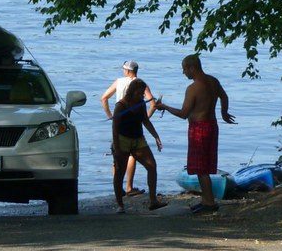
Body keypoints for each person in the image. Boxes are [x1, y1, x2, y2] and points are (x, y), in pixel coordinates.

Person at [154, 54, 235, 214]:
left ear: (192, 68)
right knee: (203, 166)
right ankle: (205, 200)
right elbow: (224, 96)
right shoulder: (213, 81)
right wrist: (224, 113)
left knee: (201, 168)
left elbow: (184, 113)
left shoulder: (193, 88)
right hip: (212, 126)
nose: (184, 72)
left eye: (184, 69)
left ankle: (210, 203)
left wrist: (165, 107)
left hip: (199, 128)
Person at [101, 60, 156, 196]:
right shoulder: (141, 84)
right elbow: (153, 104)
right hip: (135, 128)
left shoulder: (119, 81)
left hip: (120, 124)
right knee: (133, 156)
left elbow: (104, 98)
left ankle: (118, 191)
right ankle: (129, 187)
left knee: (118, 160)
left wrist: (111, 116)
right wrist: (145, 118)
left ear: (127, 71)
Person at [111, 78, 167, 213]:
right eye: (139, 93)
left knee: (152, 166)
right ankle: (120, 205)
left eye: (142, 93)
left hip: (138, 140)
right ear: (132, 92)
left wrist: (156, 136)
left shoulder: (141, 104)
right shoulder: (121, 105)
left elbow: (146, 121)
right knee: (120, 172)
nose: (141, 96)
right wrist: (117, 148)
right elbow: (115, 128)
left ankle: (153, 201)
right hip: (122, 139)